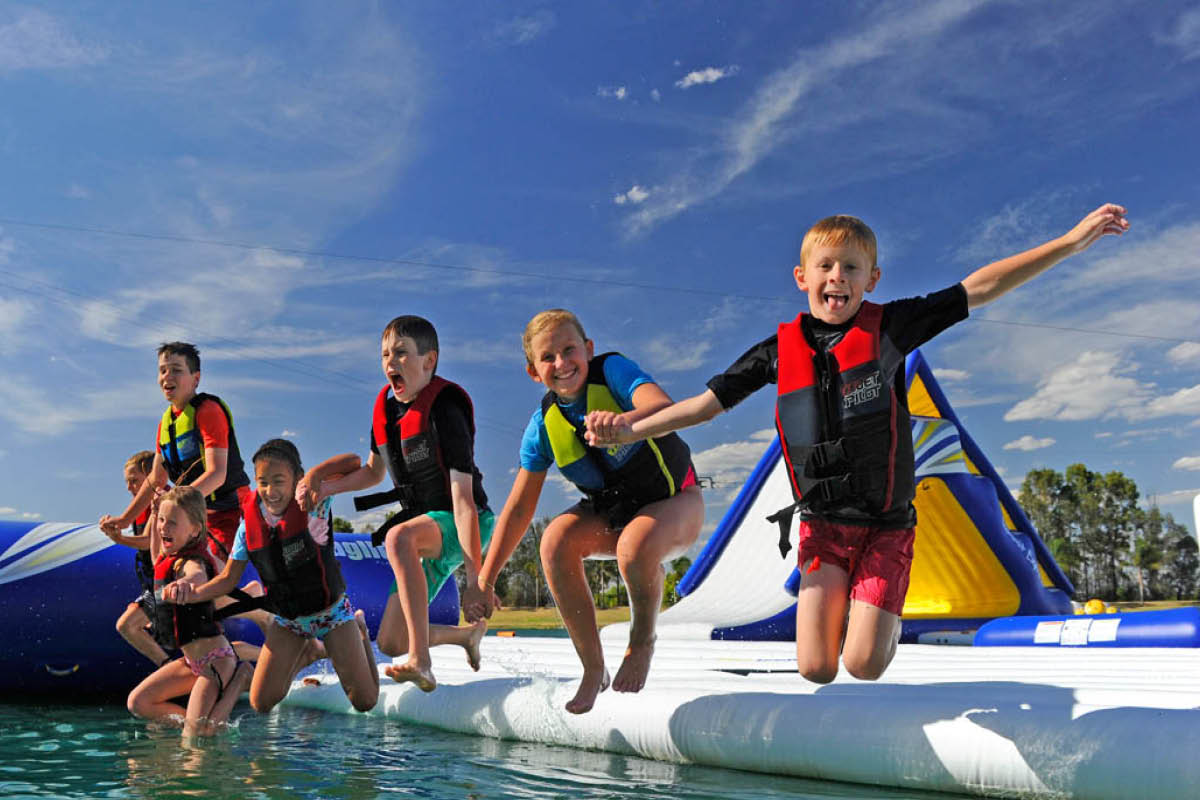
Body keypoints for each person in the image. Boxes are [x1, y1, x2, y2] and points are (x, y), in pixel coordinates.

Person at [586, 204, 1130, 684]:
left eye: (851, 267)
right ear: (802, 276)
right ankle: (851, 612)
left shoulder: (891, 328)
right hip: (823, 527)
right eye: (825, 266)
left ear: (873, 278)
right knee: (815, 668)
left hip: (886, 528)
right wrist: (631, 427)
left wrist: (1070, 242)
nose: (837, 276)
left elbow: (978, 289)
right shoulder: (777, 351)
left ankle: (875, 616)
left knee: (863, 664)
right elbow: (704, 406)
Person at [465, 309, 704, 714]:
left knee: (635, 546)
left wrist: (626, 421)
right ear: (532, 371)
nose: (561, 363)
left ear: (588, 349)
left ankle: (641, 640)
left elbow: (663, 409)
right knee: (554, 540)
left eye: (569, 349)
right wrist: (485, 580)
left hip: (676, 503)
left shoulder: (613, 372)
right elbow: (520, 507)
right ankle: (593, 668)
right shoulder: (543, 424)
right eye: (547, 357)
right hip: (613, 515)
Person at [299, 315, 490, 692]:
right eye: (385, 354)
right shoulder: (386, 411)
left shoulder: (445, 410)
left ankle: (421, 661)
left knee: (398, 538)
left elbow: (464, 501)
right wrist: (326, 490)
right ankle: (465, 637)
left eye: (401, 353)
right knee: (390, 639)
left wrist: (474, 579)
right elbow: (373, 473)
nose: (390, 362)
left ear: (429, 361)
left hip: (467, 521)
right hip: (429, 529)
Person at [166, 439, 379, 713]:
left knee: (364, 702)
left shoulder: (314, 501)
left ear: (297, 479)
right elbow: (228, 580)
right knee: (260, 702)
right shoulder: (248, 524)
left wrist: (316, 475)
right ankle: (307, 650)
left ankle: (360, 631)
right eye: (262, 482)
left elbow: (353, 462)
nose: (270, 490)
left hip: (331, 614)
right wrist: (193, 593)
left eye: (278, 481)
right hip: (288, 620)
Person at [100, 342, 252, 561]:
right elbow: (157, 479)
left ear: (196, 378)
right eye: (162, 370)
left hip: (229, 512)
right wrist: (124, 520)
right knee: (174, 570)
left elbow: (217, 474)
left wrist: (176, 504)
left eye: (177, 370)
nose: (167, 376)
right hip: (192, 517)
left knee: (210, 575)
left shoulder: (209, 411)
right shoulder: (165, 424)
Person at [126, 486, 255, 737]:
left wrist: (186, 584)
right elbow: (156, 557)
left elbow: (196, 575)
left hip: (215, 659)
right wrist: (154, 517)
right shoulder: (167, 555)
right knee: (138, 703)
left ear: (195, 529)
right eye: (162, 520)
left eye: (172, 522)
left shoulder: (192, 562)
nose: (164, 527)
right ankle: (195, 726)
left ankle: (242, 678)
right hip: (189, 661)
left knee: (197, 740)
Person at [104, 450, 171, 667]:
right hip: (152, 584)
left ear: (150, 477)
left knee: (128, 625)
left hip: (167, 583)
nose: (129, 487)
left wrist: (119, 538)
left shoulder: (163, 500)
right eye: (127, 482)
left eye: (134, 481)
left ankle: (169, 669)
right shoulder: (140, 508)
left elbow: (148, 542)